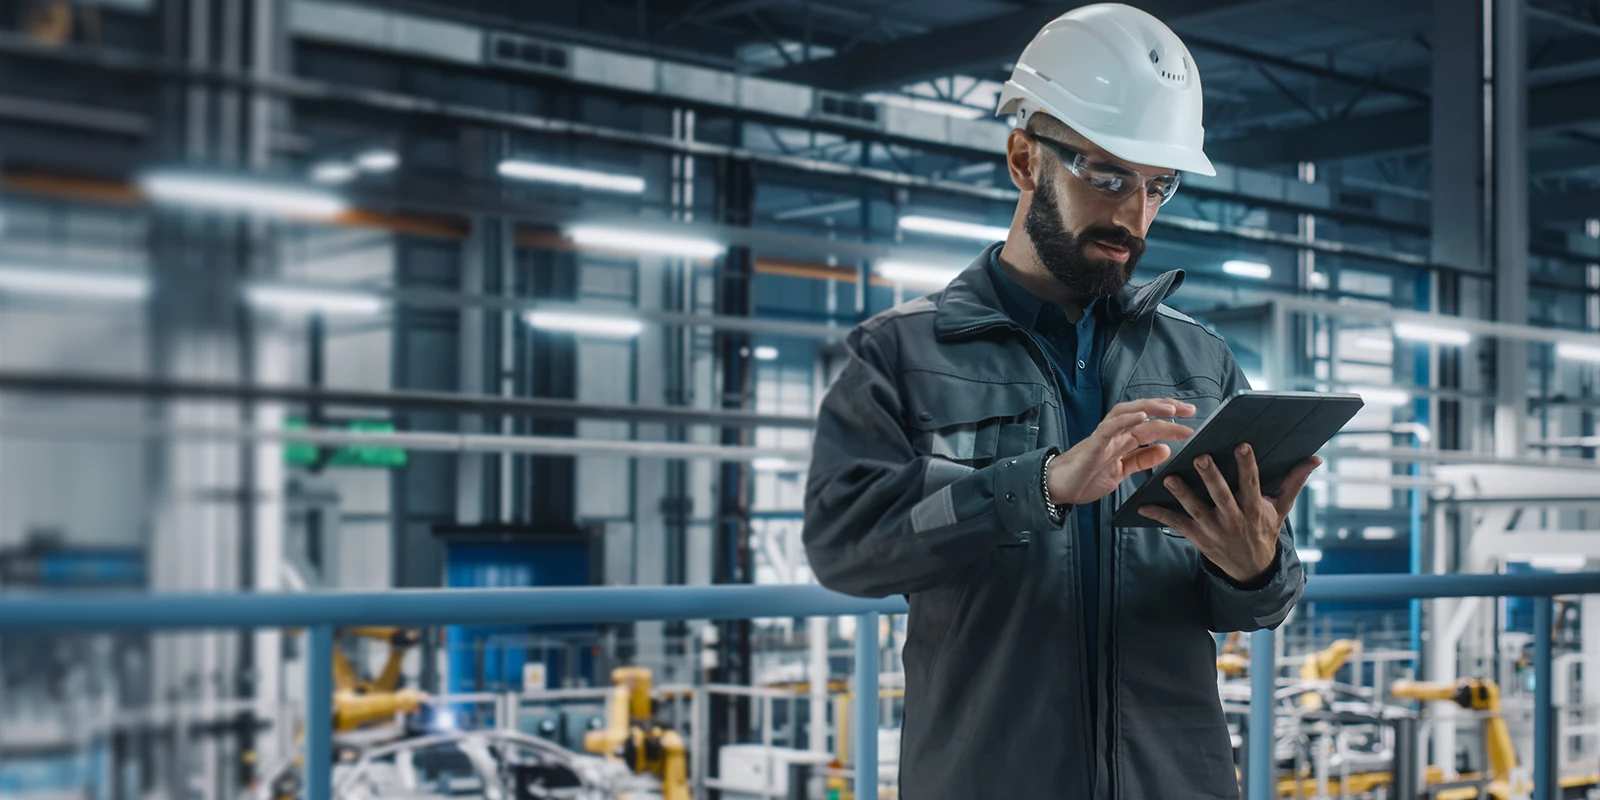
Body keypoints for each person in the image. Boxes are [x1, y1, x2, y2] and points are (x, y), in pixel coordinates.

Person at [801, 5, 1321, 799]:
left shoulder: (1199, 361)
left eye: (1158, 186)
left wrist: (1256, 571)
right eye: (1107, 178)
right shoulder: (902, 354)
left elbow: (1248, 598)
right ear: (1023, 159)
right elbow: (846, 544)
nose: (1134, 216)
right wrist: (1037, 485)